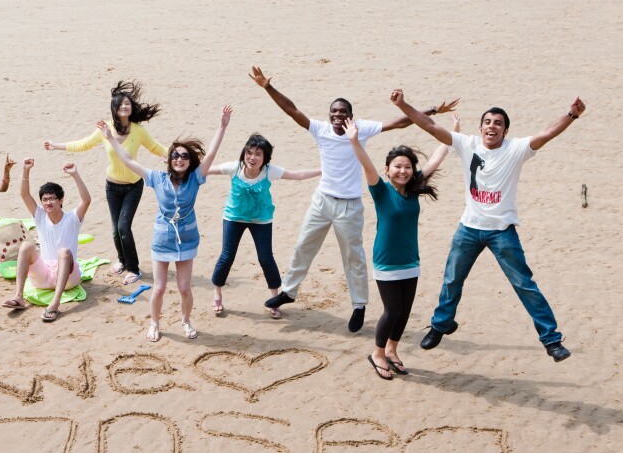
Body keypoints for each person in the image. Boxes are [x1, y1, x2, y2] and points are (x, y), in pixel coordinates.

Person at [248, 65, 457, 332]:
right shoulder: (320, 129)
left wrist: (432, 110)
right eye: (334, 112)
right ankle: (288, 291)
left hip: (349, 205)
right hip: (322, 200)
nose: (337, 116)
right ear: (329, 115)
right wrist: (267, 86)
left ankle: (359, 306)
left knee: (353, 257)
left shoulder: (361, 129)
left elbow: (399, 123)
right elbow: (291, 109)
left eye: (343, 112)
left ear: (350, 116)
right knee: (304, 246)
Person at [391, 89, 585, 362]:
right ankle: (441, 324)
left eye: (498, 123)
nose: (492, 126)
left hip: (502, 231)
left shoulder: (516, 149)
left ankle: (551, 340)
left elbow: (546, 133)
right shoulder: (466, 144)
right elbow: (431, 126)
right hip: (468, 228)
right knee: (452, 279)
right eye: (488, 122)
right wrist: (403, 105)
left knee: (524, 285)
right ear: (480, 127)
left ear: (505, 131)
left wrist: (571, 115)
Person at [103, 106, 230, 341]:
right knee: (159, 288)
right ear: (169, 160)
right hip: (162, 240)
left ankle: (186, 321)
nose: (179, 159)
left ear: (189, 161)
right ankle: (154, 323)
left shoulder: (195, 178)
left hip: (187, 239)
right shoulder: (156, 178)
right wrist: (111, 138)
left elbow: (210, 155)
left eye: (184, 156)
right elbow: (129, 160)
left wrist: (222, 126)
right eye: (175, 155)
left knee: (184, 288)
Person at [346, 117, 451, 379]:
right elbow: (366, 163)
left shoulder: (413, 189)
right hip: (387, 261)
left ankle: (392, 350)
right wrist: (354, 140)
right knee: (392, 310)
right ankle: (378, 353)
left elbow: (436, 160)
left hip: (410, 260)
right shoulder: (380, 190)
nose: (402, 171)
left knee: (404, 311)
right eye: (397, 167)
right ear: (387, 169)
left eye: (407, 167)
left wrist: (452, 136)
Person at [44, 81, 167, 285]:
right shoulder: (105, 130)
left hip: (133, 186)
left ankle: (134, 269)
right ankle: (122, 261)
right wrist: (56, 145)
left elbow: (155, 147)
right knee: (115, 229)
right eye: (121, 105)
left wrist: (174, 155)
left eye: (127, 104)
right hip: (112, 186)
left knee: (124, 228)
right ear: (114, 109)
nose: (125, 107)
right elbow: (83, 144)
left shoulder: (138, 130)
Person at [206, 134, 321, 317]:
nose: (252, 157)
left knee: (266, 258)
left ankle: (275, 299)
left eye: (258, 154)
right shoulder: (234, 168)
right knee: (227, 256)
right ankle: (217, 293)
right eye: (249, 153)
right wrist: (182, 167)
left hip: (261, 219)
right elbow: (205, 170)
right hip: (234, 218)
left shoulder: (270, 171)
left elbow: (297, 175)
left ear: (265, 157)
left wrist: (324, 170)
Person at [0, 160, 92, 322]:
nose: (48, 202)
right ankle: (18, 296)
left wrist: (75, 174)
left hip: (68, 277)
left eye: (52, 199)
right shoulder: (40, 216)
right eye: (45, 199)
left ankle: (55, 303)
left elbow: (86, 200)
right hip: (43, 276)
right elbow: (25, 195)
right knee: (26, 245)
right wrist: (26, 170)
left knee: (63, 252)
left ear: (61, 200)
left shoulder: (72, 218)